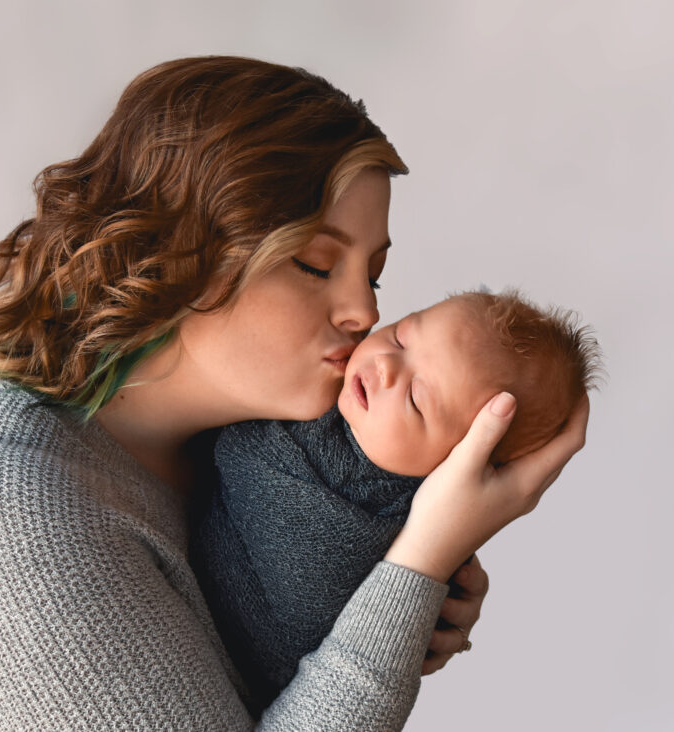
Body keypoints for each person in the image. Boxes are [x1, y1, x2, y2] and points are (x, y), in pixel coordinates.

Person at [0, 56, 589, 730]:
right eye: (314, 263)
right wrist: (419, 563)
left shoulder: (247, 457)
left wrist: (400, 595)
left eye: (375, 273)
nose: (364, 313)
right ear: (179, 251)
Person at [191, 289, 602, 711]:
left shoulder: (420, 531)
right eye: (401, 338)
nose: (384, 366)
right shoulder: (306, 387)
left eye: (415, 399)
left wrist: (425, 581)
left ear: (460, 465)